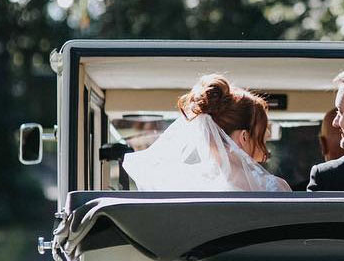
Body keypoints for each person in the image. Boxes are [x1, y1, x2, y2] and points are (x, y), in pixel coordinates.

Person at [123, 74, 291, 192]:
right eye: (263, 131)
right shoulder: (274, 188)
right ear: (244, 137)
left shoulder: (186, 184)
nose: (267, 135)